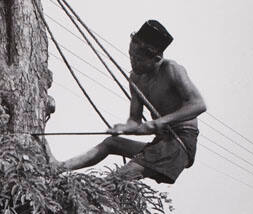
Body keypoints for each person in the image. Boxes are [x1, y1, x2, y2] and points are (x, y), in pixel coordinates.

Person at [60, 20, 206, 185]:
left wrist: (160, 121)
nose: (133, 63)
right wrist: (125, 127)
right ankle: (59, 167)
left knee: (124, 174)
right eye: (131, 56)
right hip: (160, 141)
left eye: (138, 59)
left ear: (156, 58)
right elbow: (134, 119)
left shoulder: (172, 69)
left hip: (180, 143)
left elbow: (199, 104)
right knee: (111, 142)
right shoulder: (136, 78)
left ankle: (93, 193)